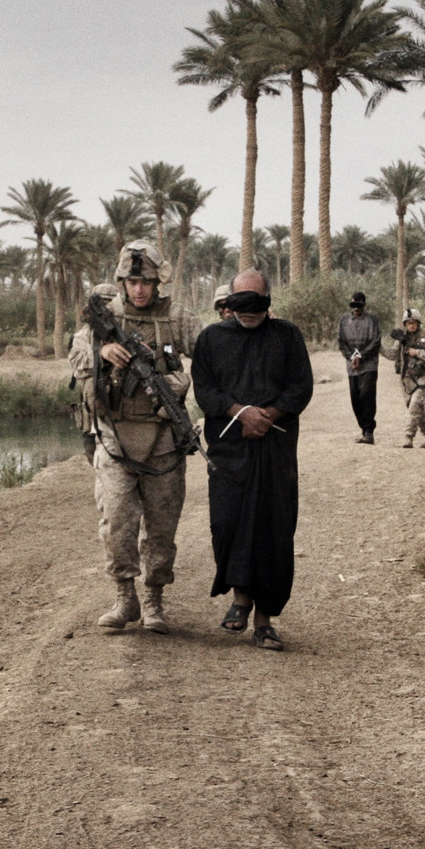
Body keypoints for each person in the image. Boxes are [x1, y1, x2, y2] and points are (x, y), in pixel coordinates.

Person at [190, 269, 313, 651]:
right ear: (228, 302)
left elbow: (301, 386)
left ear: (268, 301)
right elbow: (204, 389)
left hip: (275, 450)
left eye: (255, 304)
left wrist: (269, 415)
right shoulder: (212, 339)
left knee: (272, 531)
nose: (247, 312)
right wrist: (239, 412)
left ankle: (264, 620)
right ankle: (240, 597)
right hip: (229, 450)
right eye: (239, 304)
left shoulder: (286, 336)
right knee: (227, 522)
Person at [82, 242, 194, 634]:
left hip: (163, 439)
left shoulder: (175, 317)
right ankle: (125, 598)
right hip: (115, 436)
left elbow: (212, 347)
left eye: (146, 281)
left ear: (157, 282)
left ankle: (153, 600)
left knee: (162, 526)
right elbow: (76, 354)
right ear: (122, 282)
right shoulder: (106, 316)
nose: (140, 289)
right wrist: (102, 351)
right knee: (117, 520)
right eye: (132, 282)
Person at [386, 308, 425, 449]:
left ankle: (408, 437)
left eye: (414, 322)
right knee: (418, 409)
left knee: (414, 406)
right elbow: (392, 354)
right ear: (405, 324)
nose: (411, 325)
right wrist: (378, 346)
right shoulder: (402, 339)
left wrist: (417, 352)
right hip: (407, 380)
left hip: (423, 377)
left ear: (418, 323)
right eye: (408, 323)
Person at [337, 290, 382, 444]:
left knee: (366, 395)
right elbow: (341, 342)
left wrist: (361, 355)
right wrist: (351, 356)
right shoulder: (344, 321)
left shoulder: (372, 320)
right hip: (352, 367)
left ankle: (369, 431)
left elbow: (376, 341)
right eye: (354, 305)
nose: (356, 308)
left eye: (359, 305)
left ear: (364, 305)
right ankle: (364, 429)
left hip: (369, 365)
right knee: (355, 398)